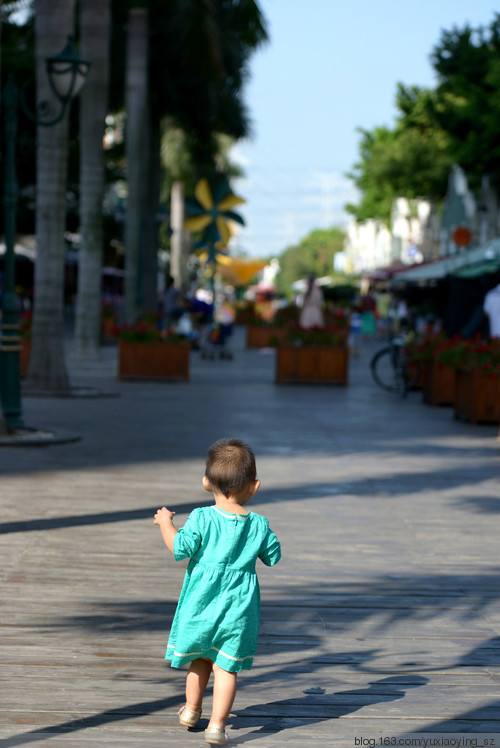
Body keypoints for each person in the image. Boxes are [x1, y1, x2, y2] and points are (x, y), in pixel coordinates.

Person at [153, 438, 281, 746]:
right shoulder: (259, 524)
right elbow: (274, 557)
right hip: (239, 610)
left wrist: (165, 523)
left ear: (206, 482)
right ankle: (217, 726)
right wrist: (261, 535)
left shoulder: (201, 518)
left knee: (199, 661)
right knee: (226, 667)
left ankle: (191, 710)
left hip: (201, 604)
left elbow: (180, 549)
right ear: (255, 486)